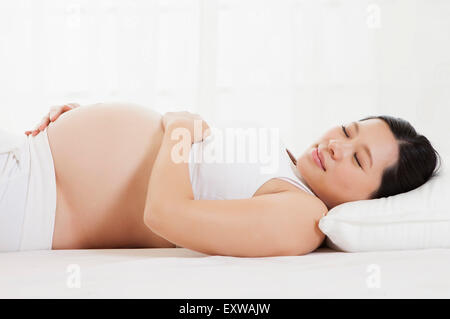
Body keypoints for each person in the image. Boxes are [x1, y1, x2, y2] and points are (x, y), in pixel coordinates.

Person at [1, 102, 440, 256]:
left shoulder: (301, 217)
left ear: (368, 201)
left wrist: (177, 131)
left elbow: (165, 214)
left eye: (358, 160)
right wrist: (80, 120)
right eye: (347, 131)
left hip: (32, 200)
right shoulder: (284, 163)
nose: (336, 147)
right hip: (32, 159)